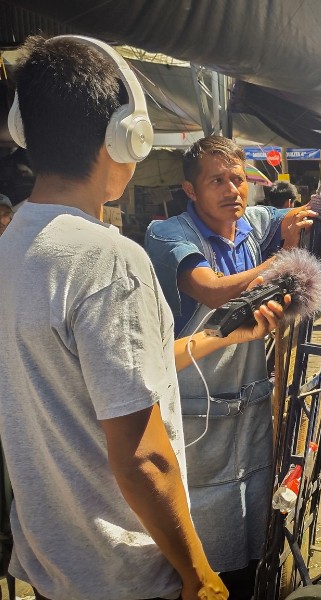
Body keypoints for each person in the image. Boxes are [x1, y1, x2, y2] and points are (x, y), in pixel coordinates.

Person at [0, 35, 225, 600]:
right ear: (128, 134)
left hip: (52, 563)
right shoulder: (108, 260)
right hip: (124, 575)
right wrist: (199, 574)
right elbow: (142, 458)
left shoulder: (10, 246)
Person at [144, 135, 321, 599]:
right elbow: (212, 291)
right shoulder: (168, 234)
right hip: (197, 411)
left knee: (254, 507)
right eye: (217, 181)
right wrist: (282, 258)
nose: (232, 190)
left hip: (251, 403)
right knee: (199, 514)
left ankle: (253, 582)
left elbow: (314, 209)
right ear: (191, 190)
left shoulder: (252, 223)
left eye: (237, 179)